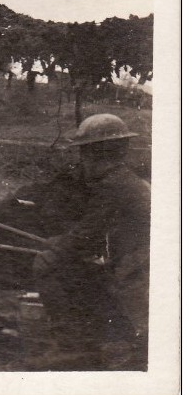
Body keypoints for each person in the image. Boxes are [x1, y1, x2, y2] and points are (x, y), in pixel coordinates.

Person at [32, 113, 150, 369]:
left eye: (84, 154)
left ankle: (72, 345)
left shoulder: (113, 187)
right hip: (136, 262)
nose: (82, 161)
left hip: (135, 271)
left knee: (47, 263)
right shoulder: (126, 181)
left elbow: (86, 236)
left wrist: (58, 244)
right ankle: (100, 338)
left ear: (95, 155)